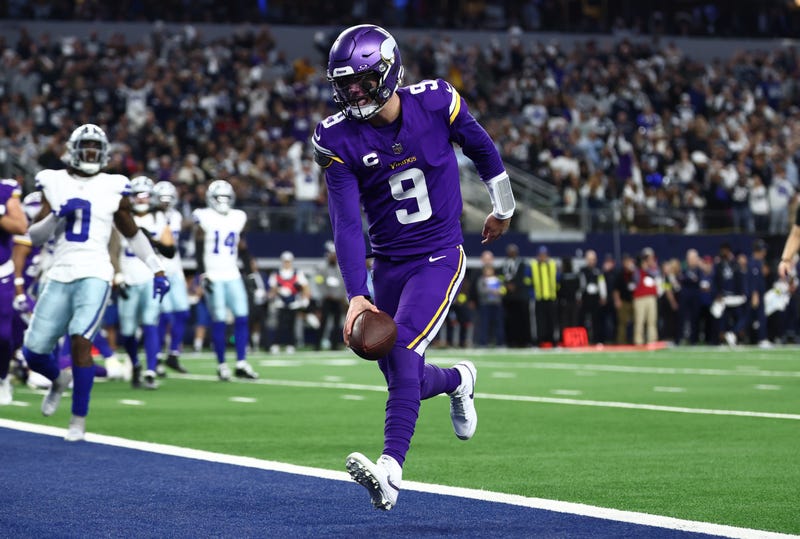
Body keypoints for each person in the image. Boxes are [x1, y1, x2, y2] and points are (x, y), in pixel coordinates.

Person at [313, 24, 514, 510]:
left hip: (440, 254)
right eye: (346, 84)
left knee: (401, 350)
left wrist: (502, 207)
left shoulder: (435, 100)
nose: (353, 93)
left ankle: (390, 471)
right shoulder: (336, 136)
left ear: (388, 70)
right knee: (405, 371)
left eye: (362, 81)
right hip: (389, 265)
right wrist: (357, 293)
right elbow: (345, 223)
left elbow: (482, 148)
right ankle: (459, 380)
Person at [21, 123, 170, 441]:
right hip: (59, 271)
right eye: (84, 147)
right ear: (74, 151)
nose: (89, 153)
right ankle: (58, 379)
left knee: (80, 342)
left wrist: (157, 268)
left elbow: (132, 233)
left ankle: (78, 419)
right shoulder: (54, 180)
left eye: (94, 148)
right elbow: (33, 237)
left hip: (96, 272)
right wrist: (56, 215)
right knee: (33, 353)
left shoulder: (114, 185)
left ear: (102, 153)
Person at [113, 176, 176, 389]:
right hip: (128, 279)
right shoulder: (120, 216)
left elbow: (170, 250)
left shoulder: (159, 218)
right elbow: (112, 249)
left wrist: (152, 241)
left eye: (145, 194)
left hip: (150, 278)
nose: (141, 199)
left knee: (150, 324)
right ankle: (136, 365)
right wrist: (117, 275)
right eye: (137, 194)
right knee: (128, 331)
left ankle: (150, 370)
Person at [192, 179, 258, 381]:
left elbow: (243, 247)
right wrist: (202, 274)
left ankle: (241, 362)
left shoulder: (238, 217)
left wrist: (250, 273)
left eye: (226, 197)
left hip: (232, 273)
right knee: (218, 320)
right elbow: (198, 247)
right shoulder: (203, 216)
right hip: (213, 274)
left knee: (242, 317)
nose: (222, 201)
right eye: (219, 197)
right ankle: (221, 365)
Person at [152, 181, 190, 374]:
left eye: (169, 199)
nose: (166, 203)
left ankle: (173, 353)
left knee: (183, 313)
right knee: (164, 316)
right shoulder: (151, 217)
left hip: (174, 269)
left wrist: (181, 272)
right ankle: (156, 357)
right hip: (158, 269)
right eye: (162, 199)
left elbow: (173, 248)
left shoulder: (176, 216)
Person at [0, 178, 27, 405]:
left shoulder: (5, 190)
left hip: (1, 272)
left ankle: (2, 377)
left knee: (3, 336)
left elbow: (20, 226)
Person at [267, 250, 311, 354]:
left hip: (293, 303)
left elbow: (305, 287)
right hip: (280, 302)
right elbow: (272, 289)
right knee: (280, 325)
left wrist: (305, 298)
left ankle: (290, 344)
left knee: (291, 325)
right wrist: (279, 290)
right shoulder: (276, 273)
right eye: (285, 261)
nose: (287, 263)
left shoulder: (297, 273)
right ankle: (276, 344)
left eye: (288, 261)